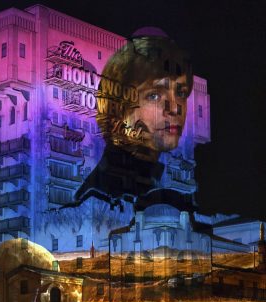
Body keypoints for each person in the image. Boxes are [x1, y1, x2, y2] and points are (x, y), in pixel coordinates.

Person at [74, 28, 193, 205]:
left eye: (181, 93)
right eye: (154, 96)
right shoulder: (98, 195)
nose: (175, 108)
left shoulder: (160, 186)